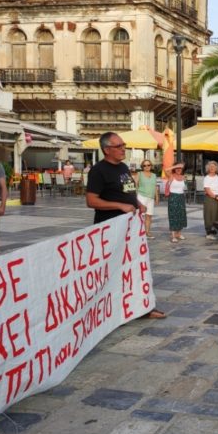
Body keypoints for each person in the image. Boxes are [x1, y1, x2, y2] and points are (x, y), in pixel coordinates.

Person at [86, 131, 165, 318]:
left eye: (124, 145)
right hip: (110, 228)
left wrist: (137, 203)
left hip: (129, 228)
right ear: (106, 150)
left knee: (134, 267)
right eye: (119, 146)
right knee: (112, 271)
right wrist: (120, 205)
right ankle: (109, 310)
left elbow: (126, 190)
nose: (123, 149)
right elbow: (91, 201)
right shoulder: (98, 171)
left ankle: (140, 307)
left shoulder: (122, 167)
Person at [133, 159, 159, 239]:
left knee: (149, 216)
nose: (147, 167)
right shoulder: (139, 174)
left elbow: (155, 187)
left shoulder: (154, 175)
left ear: (151, 166)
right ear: (142, 167)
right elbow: (135, 184)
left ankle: (147, 232)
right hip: (142, 197)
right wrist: (136, 195)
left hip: (150, 198)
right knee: (140, 216)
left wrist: (157, 197)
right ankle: (139, 233)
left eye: (148, 165)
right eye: (144, 165)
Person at [164, 162, 187, 242]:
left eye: (180, 168)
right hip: (173, 197)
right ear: (174, 169)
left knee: (181, 215)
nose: (178, 169)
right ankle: (173, 235)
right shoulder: (171, 176)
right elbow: (165, 169)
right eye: (177, 168)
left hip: (181, 197)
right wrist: (176, 165)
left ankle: (179, 233)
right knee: (173, 215)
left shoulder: (184, 177)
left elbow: (184, 188)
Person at [203, 160, 218, 240]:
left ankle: (217, 231)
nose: (212, 168)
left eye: (214, 166)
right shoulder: (207, 178)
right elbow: (207, 190)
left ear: (216, 168)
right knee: (210, 215)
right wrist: (217, 198)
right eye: (211, 166)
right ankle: (209, 233)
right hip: (211, 198)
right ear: (208, 168)